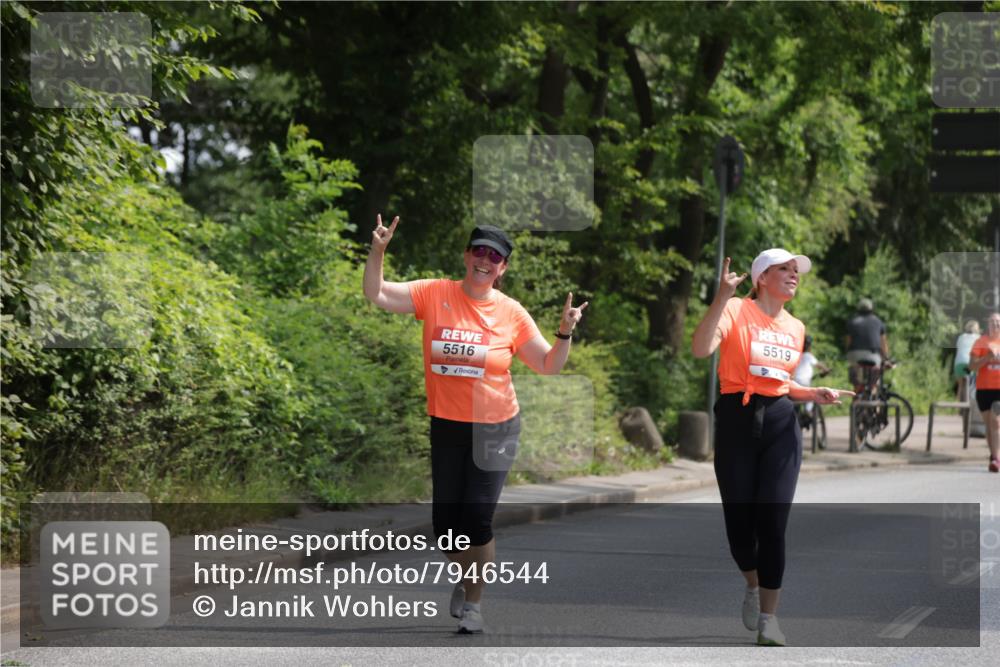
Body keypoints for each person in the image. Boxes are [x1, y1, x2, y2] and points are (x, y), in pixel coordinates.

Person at [363, 215, 588, 633]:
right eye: (479, 251)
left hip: (496, 427)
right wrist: (378, 251)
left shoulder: (511, 313)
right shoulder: (435, 293)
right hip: (447, 424)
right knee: (446, 530)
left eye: (494, 256)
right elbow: (376, 294)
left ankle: (474, 603)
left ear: (502, 268)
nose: (484, 260)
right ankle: (468, 579)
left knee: (477, 521)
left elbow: (547, 365)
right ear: (466, 256)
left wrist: (564, 332)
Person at [692, 248, 854, 646]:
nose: (794, 275)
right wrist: (720, 299)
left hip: (781, 422)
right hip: (736, 418)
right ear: (762, 277)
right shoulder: (734, 311)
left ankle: (770, 620)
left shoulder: (796, 328)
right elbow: (700, 349)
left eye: (796, 271)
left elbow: (780, 383)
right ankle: (752, 584)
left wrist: (812, 392)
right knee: (740, 530)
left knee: (773, 523)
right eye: (785, 269)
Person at [968, 313, 1000, 473]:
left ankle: (996, 459)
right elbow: (972, 366)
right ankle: (993, 455)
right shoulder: (980, 342)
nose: (995, 325)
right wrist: (987, 357)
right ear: (988, 325)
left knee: (996, 422)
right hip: (983, 389)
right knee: (989, 426)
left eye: (998, 322)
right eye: (993, 322)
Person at [846, 298, 889, 396]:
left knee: (857, 378)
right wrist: (886, 357)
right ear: (872, 309)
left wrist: (848, 352)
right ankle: (873, 390)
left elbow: (848, 341)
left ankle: (857, 393)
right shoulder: (878, 322)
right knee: (874, 380)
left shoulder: (852, 322)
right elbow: (883, 343)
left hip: (854, 355)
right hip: (873, 355)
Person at [792, 334, 831, 428]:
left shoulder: (796, 355)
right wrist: (826, 370)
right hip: (805, 381)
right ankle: (808, 411)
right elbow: (818, 365)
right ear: (809, 346)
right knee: (811, 396)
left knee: (795, 400)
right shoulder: (808, 356)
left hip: (794, 381)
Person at [954, 319, 981, 402]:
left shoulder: (961, 337)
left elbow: (958, 348)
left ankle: (956, 408)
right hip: (970, 364)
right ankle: (971, 405)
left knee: (960, 386)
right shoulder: (978, 338)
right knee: (974, 384)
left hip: (958, 364)